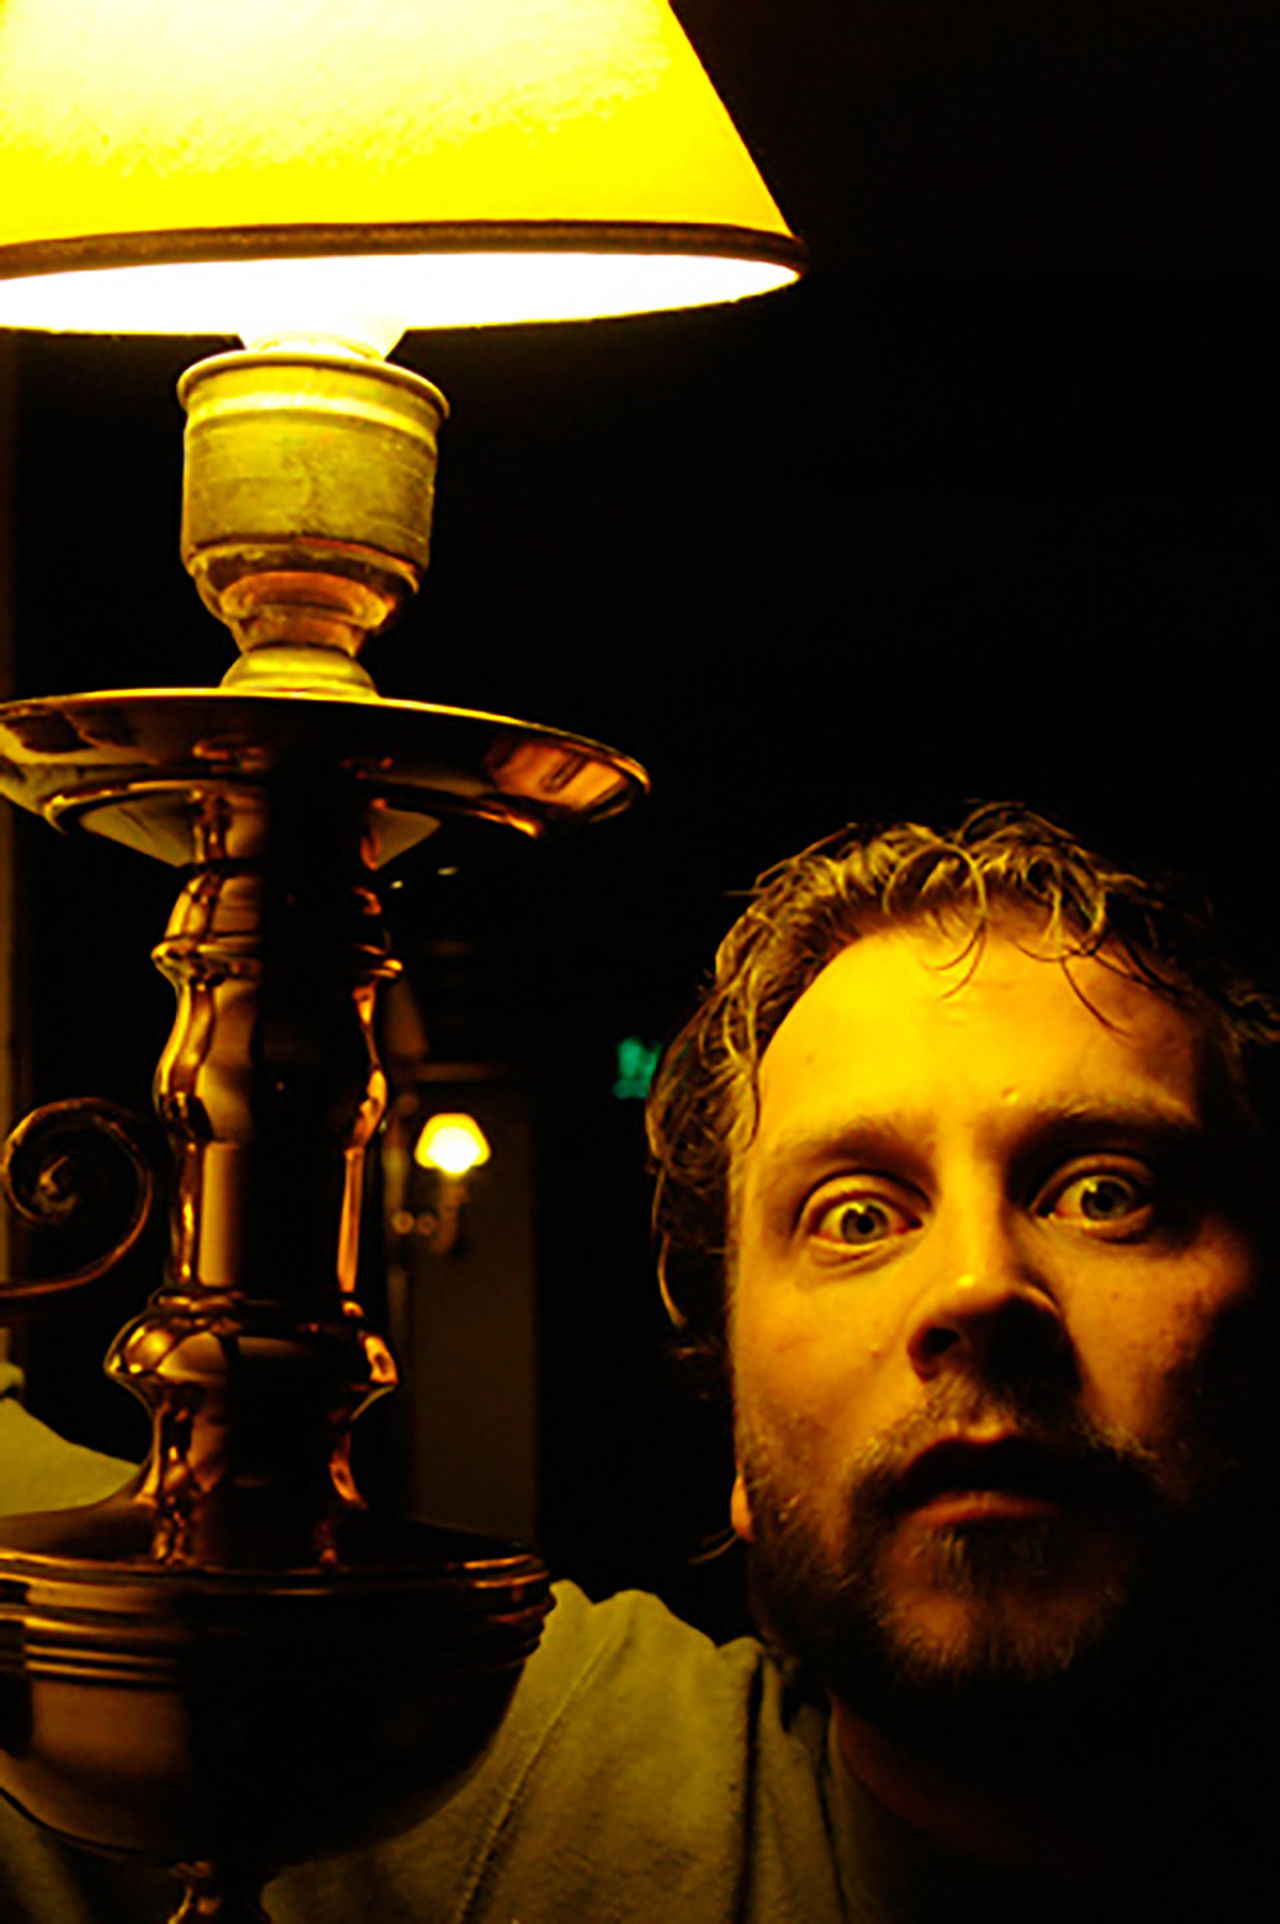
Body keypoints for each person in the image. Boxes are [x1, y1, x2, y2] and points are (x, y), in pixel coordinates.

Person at [1, 800, 1277, 1922]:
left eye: (1103, 1193)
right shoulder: (530, 1794)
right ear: (736, 1441)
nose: (977, 1287)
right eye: (854, 1215)